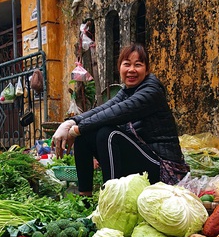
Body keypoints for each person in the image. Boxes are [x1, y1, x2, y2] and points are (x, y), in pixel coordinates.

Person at [52, 43, 187, 196]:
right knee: (86, 135)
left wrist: (75, 130)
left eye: (138, 65)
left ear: (147, 69)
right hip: (144, 160)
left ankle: (112, 199)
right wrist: (72, 122)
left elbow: (114, 114)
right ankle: (85, 197)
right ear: (120, 68)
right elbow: (104, 109)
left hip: (164, 168)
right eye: (127, 64)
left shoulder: (151, 91)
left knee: (108, 134)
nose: (131, 70)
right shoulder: (128, 91)